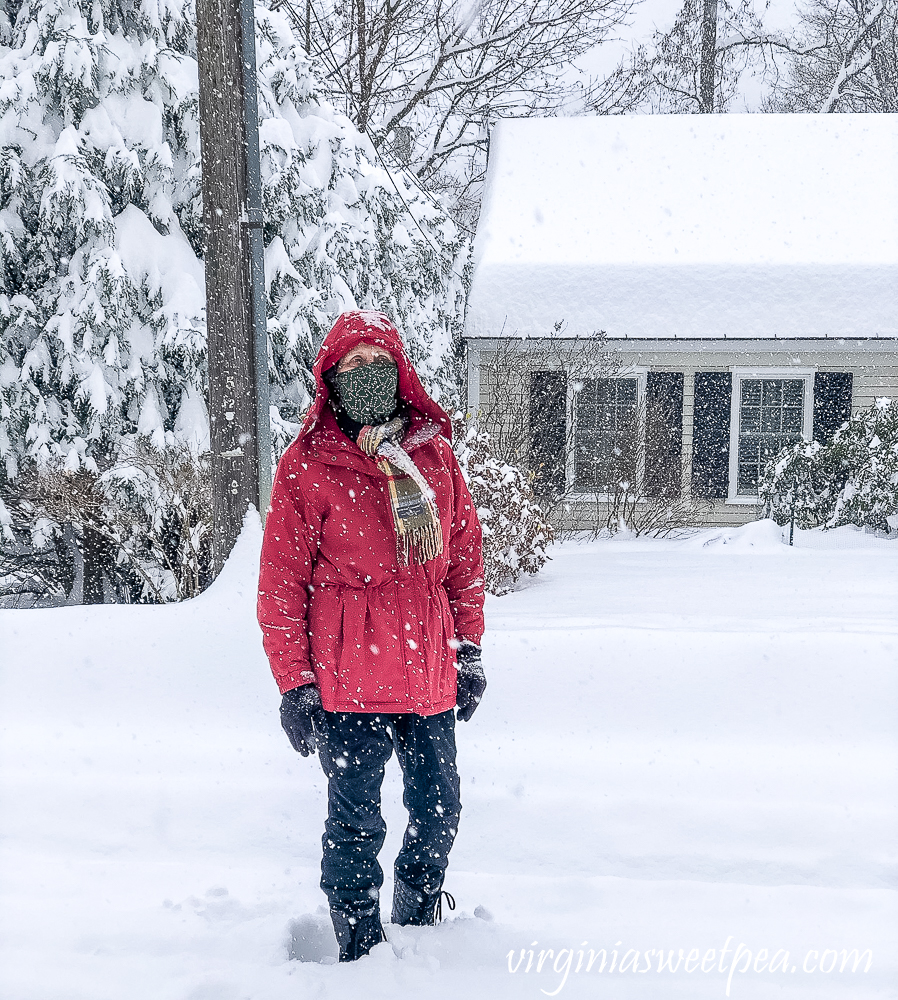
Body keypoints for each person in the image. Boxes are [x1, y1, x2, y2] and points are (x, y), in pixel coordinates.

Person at [257, 309, 486, 962]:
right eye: (350, 365)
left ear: (400, 373)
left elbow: (463, 560)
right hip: (348, 680)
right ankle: (360, 948)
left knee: (439, 812)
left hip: (429, 674)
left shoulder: (433, 457)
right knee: (356, 827)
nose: (365, 375)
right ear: (329, 379)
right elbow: (280, 588)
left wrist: (468, 650)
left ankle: (415, 925)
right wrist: (295, 685)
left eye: (376, 362)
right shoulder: (308, 467)